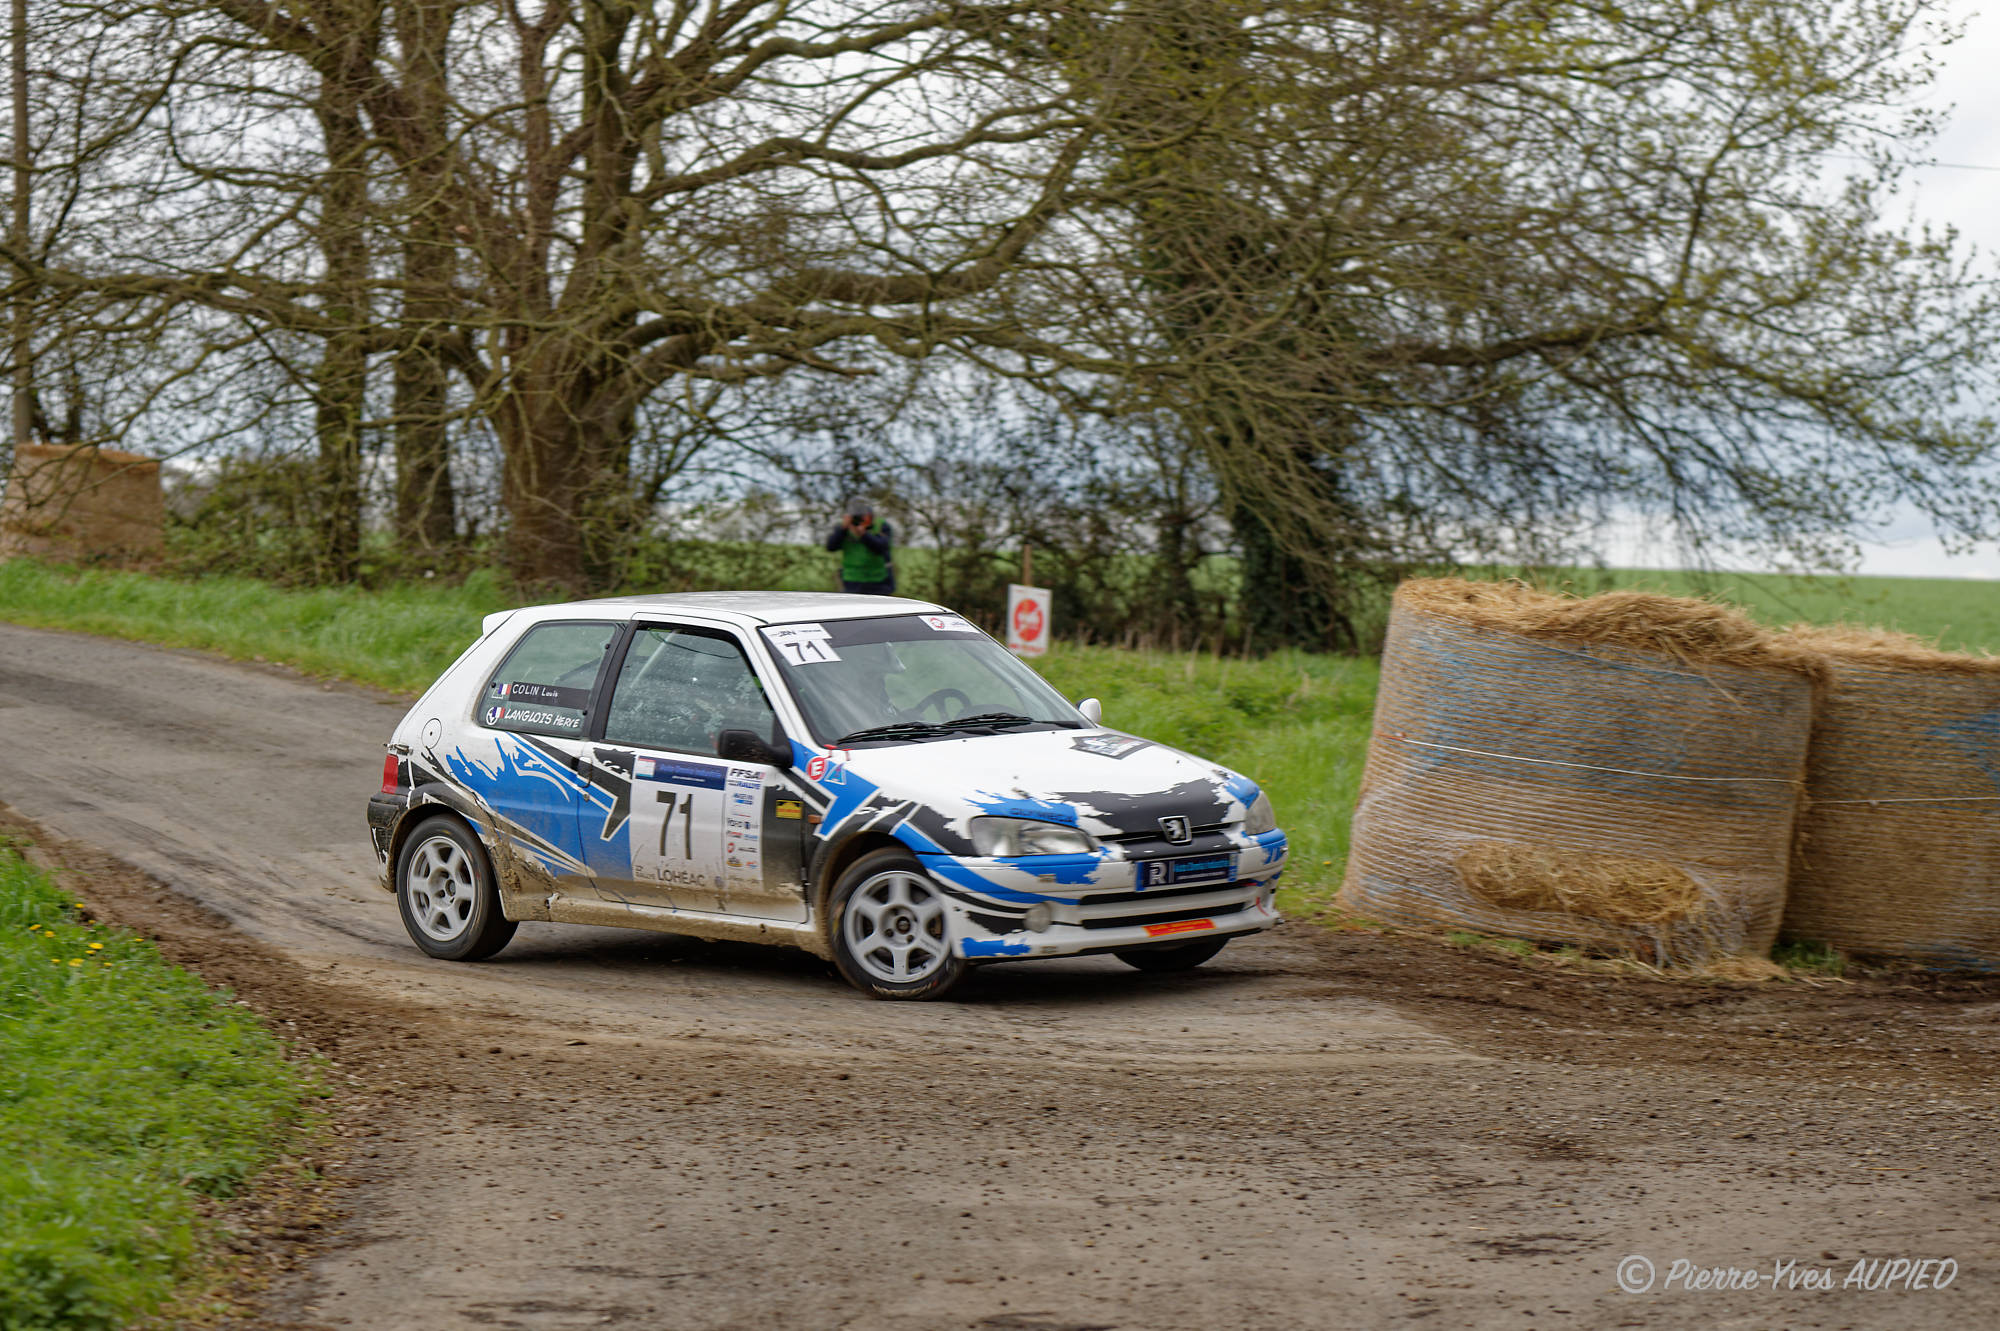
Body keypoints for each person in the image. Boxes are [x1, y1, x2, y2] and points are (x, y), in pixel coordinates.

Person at [826, 495, 895, 594]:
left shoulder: (881, 525)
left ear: (870, 513)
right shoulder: (842, 527)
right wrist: (842, 530)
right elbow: (831, 547)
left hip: (878, 580)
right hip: (852, 580)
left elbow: (881, 548)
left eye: (862, 515)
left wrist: (863, 535)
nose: (859, 519)